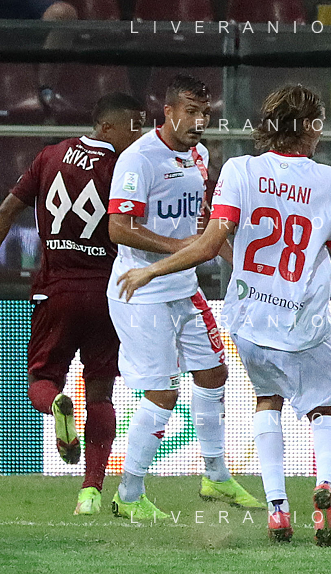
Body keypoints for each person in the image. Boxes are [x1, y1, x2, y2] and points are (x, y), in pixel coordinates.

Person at [117, 84, 331, 545]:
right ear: (308, 127)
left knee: (267, 401)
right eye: (319, 122)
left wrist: (152, 270)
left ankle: (277, 510)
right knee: (323, 409)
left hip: (249, 321)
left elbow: (209, 244)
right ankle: (326, 488)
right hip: (303, 323)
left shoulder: (240, 169)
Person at [0, 94, 145, 516]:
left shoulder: (49, 156)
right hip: (107, 293)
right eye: (134, 126)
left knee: (42, 380)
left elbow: (5, 211)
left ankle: (57, 406)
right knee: (101, 392)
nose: (140, 135)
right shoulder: (125, 168)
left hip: (56, 290)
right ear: (106, 127)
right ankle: (91, 491)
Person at [106, 74, 262, 521]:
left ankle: (215, 474)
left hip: (184, 289)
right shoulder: (139, 159)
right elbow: (118, 228)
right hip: (142, 292)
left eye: (205, 113)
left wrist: (241, 267)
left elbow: (206, 226)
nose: (199, 121)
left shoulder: (199, 156)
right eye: (190, 112)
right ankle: (129, 494)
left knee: (214, 374)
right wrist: (181, 249)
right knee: (162, 393)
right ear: (168, 111)